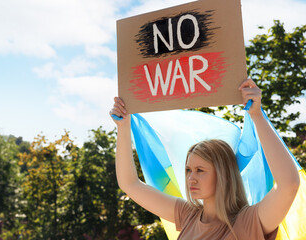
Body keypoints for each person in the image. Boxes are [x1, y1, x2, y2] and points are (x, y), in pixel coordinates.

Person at [109, 78, 300, 240]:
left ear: (224, 175)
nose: (191, 178)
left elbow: (289, 184)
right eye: (188, 170)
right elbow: (130, 184)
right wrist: (123, 127)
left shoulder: (248, 222)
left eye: (200, 170)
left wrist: (256, 115)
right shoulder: (187, 215)